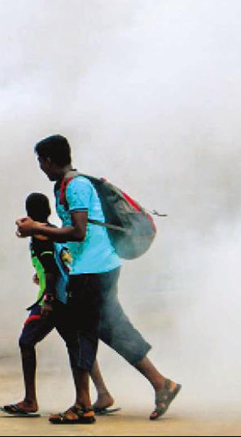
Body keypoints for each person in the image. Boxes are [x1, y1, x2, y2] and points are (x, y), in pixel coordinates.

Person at [15, 134, 181, 424]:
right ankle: (161, 384)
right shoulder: (65, 186)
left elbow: (78, 232)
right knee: (113, 331)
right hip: (97, 267)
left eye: (41, 160)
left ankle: (82, 404)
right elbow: (77, 236)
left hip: (92, 272)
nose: (40, 166)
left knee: (80, 336)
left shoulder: (76, 186)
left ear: (50, 160)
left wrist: (35, 230)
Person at [0, 192, 117, 418]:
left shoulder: (40, 236)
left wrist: (49, 298)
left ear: (29, 212)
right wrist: (41, 275)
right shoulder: (54, 231)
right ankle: (102, 393)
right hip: (68, 297)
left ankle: (30, 400)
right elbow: (55, 263)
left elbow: (52, 269)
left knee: (26, 342)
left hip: (55, 300)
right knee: (76, 346)